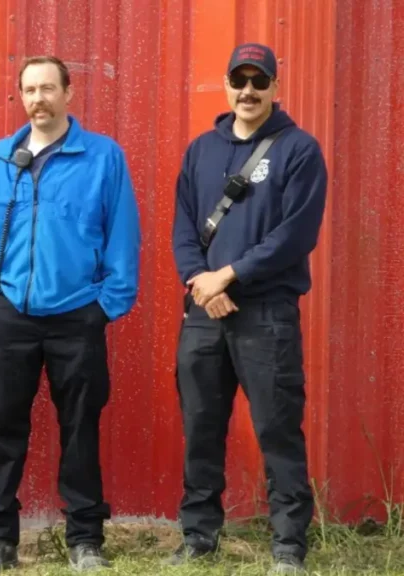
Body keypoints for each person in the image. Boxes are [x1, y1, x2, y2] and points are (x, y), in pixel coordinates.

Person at [0, 55, 141, 573]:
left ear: (68, 93)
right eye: (29, 90)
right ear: (19, 96)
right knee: (3, 427)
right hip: (8, 316)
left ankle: (85, 540)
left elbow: (123, 237)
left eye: (48, 88)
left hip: (77, 317)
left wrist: (105, 306)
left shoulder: (103, 158)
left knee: (80, 428)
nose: (38, 98)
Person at [169, 43, 326, 575]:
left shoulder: (299, 150)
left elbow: (294, 235)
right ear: (227, 84)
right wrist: (199, 280)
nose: (249, 91)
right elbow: (184, 226)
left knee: (278, 429)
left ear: (276, 89)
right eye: (240, 80)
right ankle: (198, 536)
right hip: (203, 311)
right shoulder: (200, 151)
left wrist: (228, 275)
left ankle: (288, 545)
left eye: (260, 82)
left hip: (267, 314)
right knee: (201, 425)